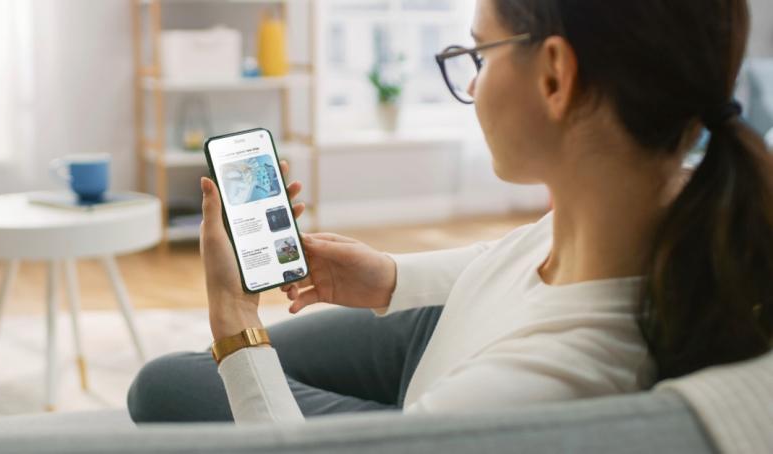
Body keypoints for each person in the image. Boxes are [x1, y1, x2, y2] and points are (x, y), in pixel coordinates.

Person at [127, 0, 773, 431]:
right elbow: (516, 255)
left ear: (554, 76)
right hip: (453, 332)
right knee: (191, 376)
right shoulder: (660, 202)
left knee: (167, 385)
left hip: (453, 385)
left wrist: (235, 317)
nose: (471, 84)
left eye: (478, 56)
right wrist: (384, 276)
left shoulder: (552, 377)